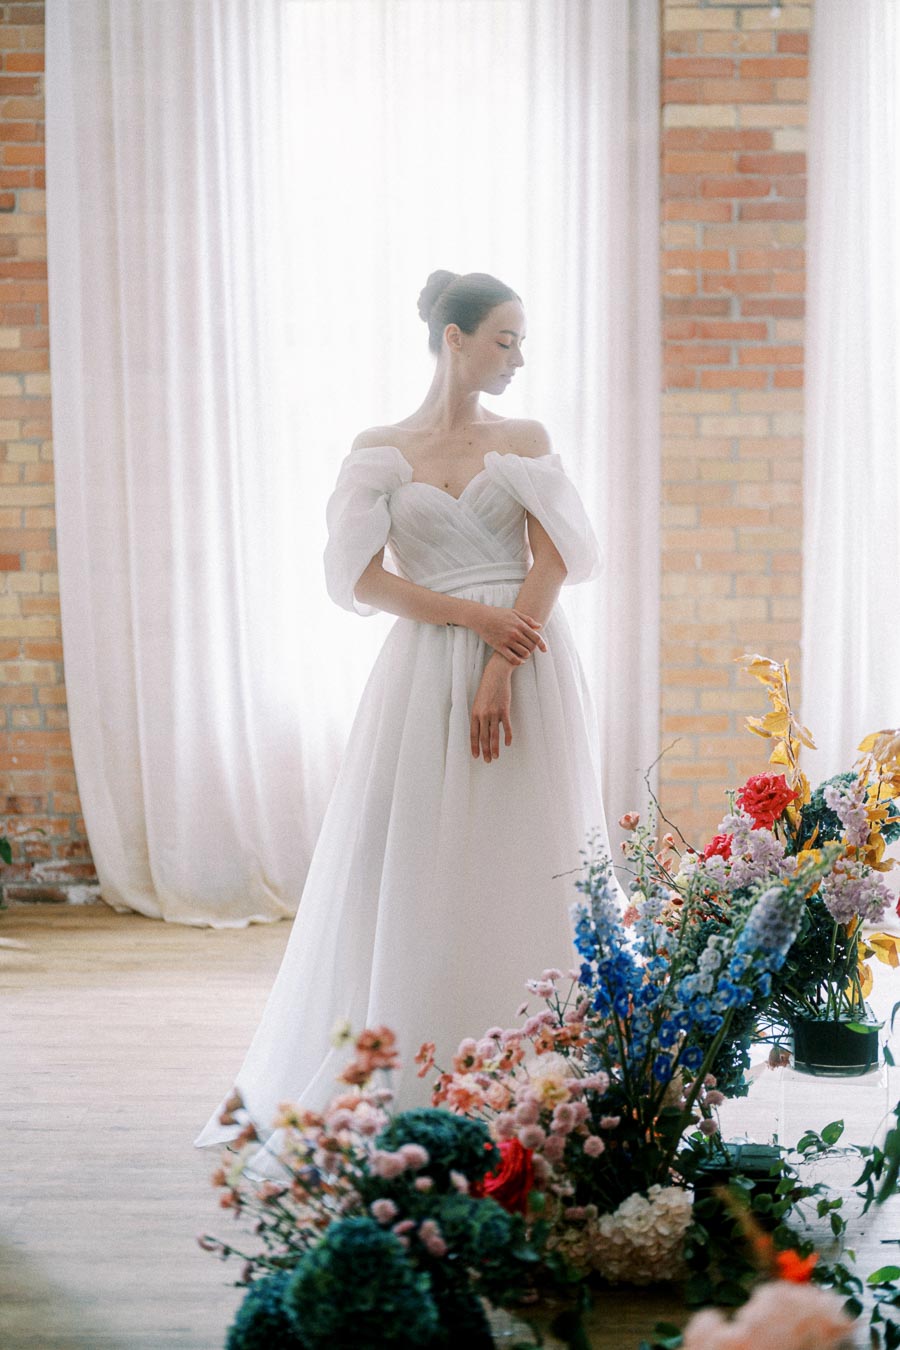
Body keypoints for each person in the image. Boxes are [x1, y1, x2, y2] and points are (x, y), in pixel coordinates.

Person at [194, 270, 616, 1155]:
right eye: (504, 339)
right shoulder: (382, 449)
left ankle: (552, 1066)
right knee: (423, 851)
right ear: (453, 339)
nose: (518, 357)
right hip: (428, 664)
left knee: (531, 844)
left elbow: (556, 558)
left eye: (522, 341)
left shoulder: (525, 438)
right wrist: (473, 619)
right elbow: (362, 577)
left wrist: (504, 658)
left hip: (529, 657)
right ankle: (428, 1053)